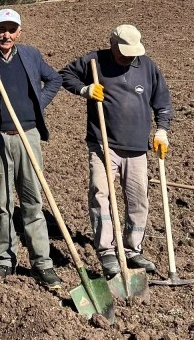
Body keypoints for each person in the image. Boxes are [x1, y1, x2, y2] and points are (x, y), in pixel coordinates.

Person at [60, 24, 172, 277]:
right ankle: (107, 251)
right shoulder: (93, 61)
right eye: (123, 52)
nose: (128, 57)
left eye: (132, 53)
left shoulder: (147, 66)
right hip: (103, 144)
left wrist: (162, 130)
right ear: (112, 43)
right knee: (101, 195)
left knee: (138, 200)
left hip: (137, 147)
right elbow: (65, 75)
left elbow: (162, 102)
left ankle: (133, 249)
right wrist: (84, 89)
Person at [0, 8, 63, 288]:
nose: (6, 34)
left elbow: (54, 79)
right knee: (1, 202)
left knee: (33, 200)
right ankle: (4, 259)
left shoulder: (31, 55)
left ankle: (42, 263)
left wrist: (38, 105)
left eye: (11, 29)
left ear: (19, 32)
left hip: (27, 135)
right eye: (1, 28)